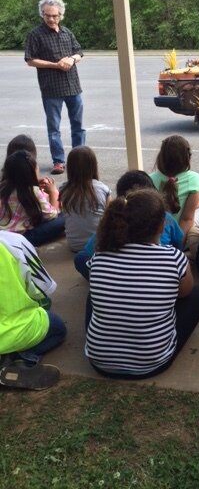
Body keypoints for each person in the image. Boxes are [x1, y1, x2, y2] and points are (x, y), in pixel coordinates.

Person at [85, 189, 199, 379]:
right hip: (151, 364)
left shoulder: (100, 255)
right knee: (198, 295)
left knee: (93, 294)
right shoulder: (173, 257)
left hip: (99, 361)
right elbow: (185, 293)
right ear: (161, 226)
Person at [74, 170, 184, 280]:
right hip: (159, 277)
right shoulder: (165, 217)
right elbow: (179, 240)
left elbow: (91, 248)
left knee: (80, 257)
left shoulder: (112, 220)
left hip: (115, 280)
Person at [24, 0, 85, 175]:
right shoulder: (35, 35)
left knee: (78, 125)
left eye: (55, 16)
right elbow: (30, 60)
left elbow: (79, 52)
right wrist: (55, 64)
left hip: (73, 86)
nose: (51, 19)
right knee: (54, 129)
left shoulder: (67, 33)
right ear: (42, 15)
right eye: (47, 15)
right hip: (51, 89)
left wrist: (71, 59)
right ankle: (59, 161)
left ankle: (79, 158)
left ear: (61, 15)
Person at [0, 230, 66, 367]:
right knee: (58, 327)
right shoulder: (14, 242)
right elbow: (43, 290)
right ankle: (19, 358)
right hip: (17, 331)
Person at [149, 135, 199, 254]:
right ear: (187, 157)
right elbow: (187, 219)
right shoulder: (194, 179)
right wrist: (177, 249)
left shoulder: (149, 179)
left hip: (152, 238)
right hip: (176, 240)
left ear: (161, 157)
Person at [0, 150, 64, 246]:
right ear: (32, 171)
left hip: (3, 236)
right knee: (64, 218)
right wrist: (53, 192)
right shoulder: (33, 191)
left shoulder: (3, 187)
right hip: (22, 239)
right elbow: (52, 216)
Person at [59, 146, 111, 252]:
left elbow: (63, 213)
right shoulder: (102, 189)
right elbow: (111, 216)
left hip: (74, 245)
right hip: (99, 245)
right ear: (94, 167)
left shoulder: (63, 189)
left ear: (69, 168)